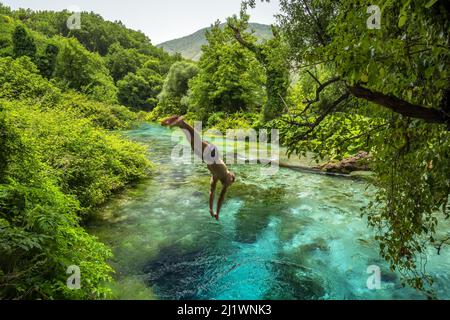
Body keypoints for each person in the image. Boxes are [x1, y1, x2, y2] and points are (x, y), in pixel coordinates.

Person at [161, 115, 236, 220]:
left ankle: (180, 125)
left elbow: (212, 192)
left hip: (205, 157)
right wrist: (217, 212)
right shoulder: (228, 177)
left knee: (192, 143)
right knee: (197, 141)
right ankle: (182, 123)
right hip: (212, 153)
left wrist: (210, 209)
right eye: (232, 181)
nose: (229, 184)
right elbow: (221, 197)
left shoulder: (215, 177)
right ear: (232, 178)